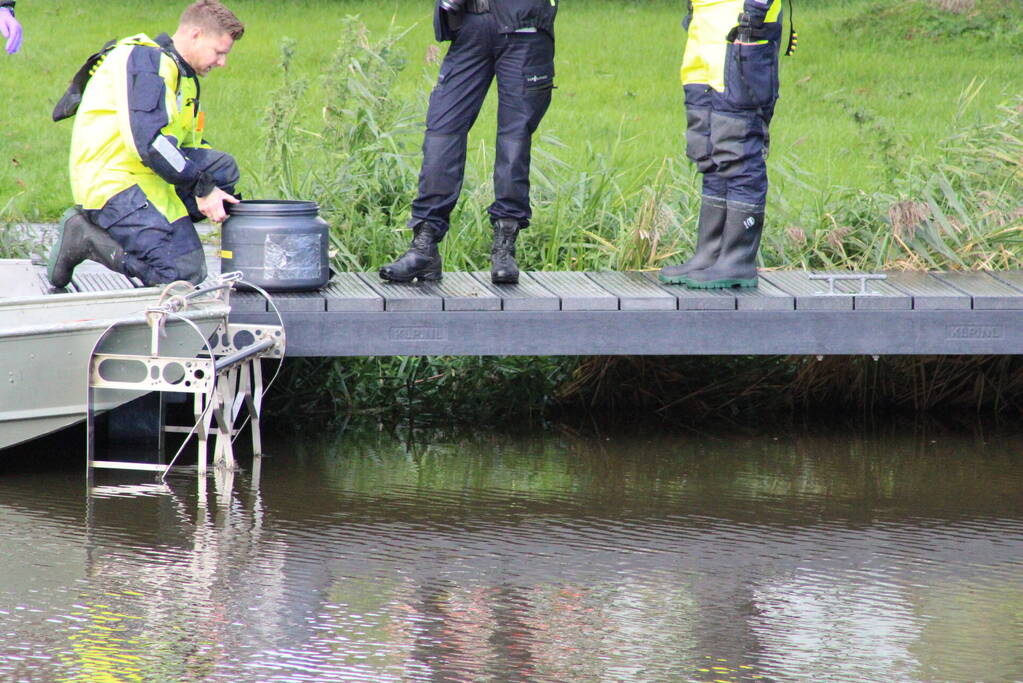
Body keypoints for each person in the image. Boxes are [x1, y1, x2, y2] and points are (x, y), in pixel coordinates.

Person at [47, 0, 244, 289]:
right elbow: (150, 142)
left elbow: (190, 146)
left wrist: (218, 192)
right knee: (181, 275)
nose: (222, 62)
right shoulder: (147, 64)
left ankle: (162, 236)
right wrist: (201, 187)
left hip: (145, 177)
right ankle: (86, 238)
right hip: (112, 183)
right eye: (219, 52)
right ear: (196, 35)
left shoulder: (182, 76)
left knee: (222, 170)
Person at [379, 0, 558, 285]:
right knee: (442, 131)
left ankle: (505, 247)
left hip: (524, 24)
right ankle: (425, 245)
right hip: (470, 24)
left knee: (514, 139)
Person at [659, 0, 783, 289]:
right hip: (704, 28)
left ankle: (737, 260)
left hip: (743, 27)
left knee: (737, 142)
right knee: (706, 147)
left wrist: (755, 10)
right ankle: (710, 253)